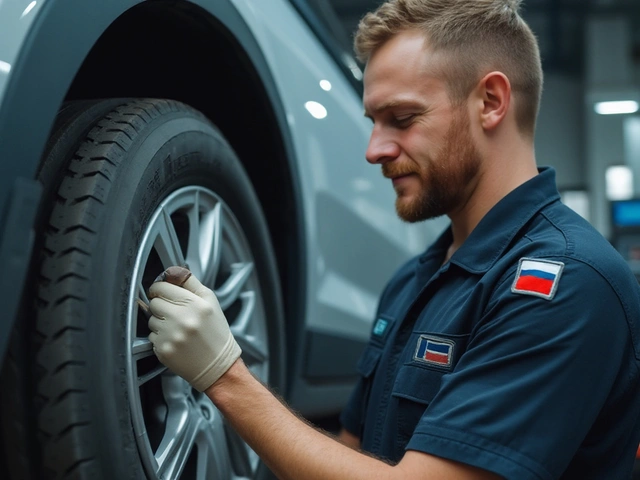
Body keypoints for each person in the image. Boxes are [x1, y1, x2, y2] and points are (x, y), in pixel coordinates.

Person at [147, 0, 640, 478]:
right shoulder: (415, 280)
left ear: (490, 102)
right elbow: (352, 452)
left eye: (402, 119)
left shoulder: (568, 282)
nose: (374, 150)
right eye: (373, 123)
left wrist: (225, 377)